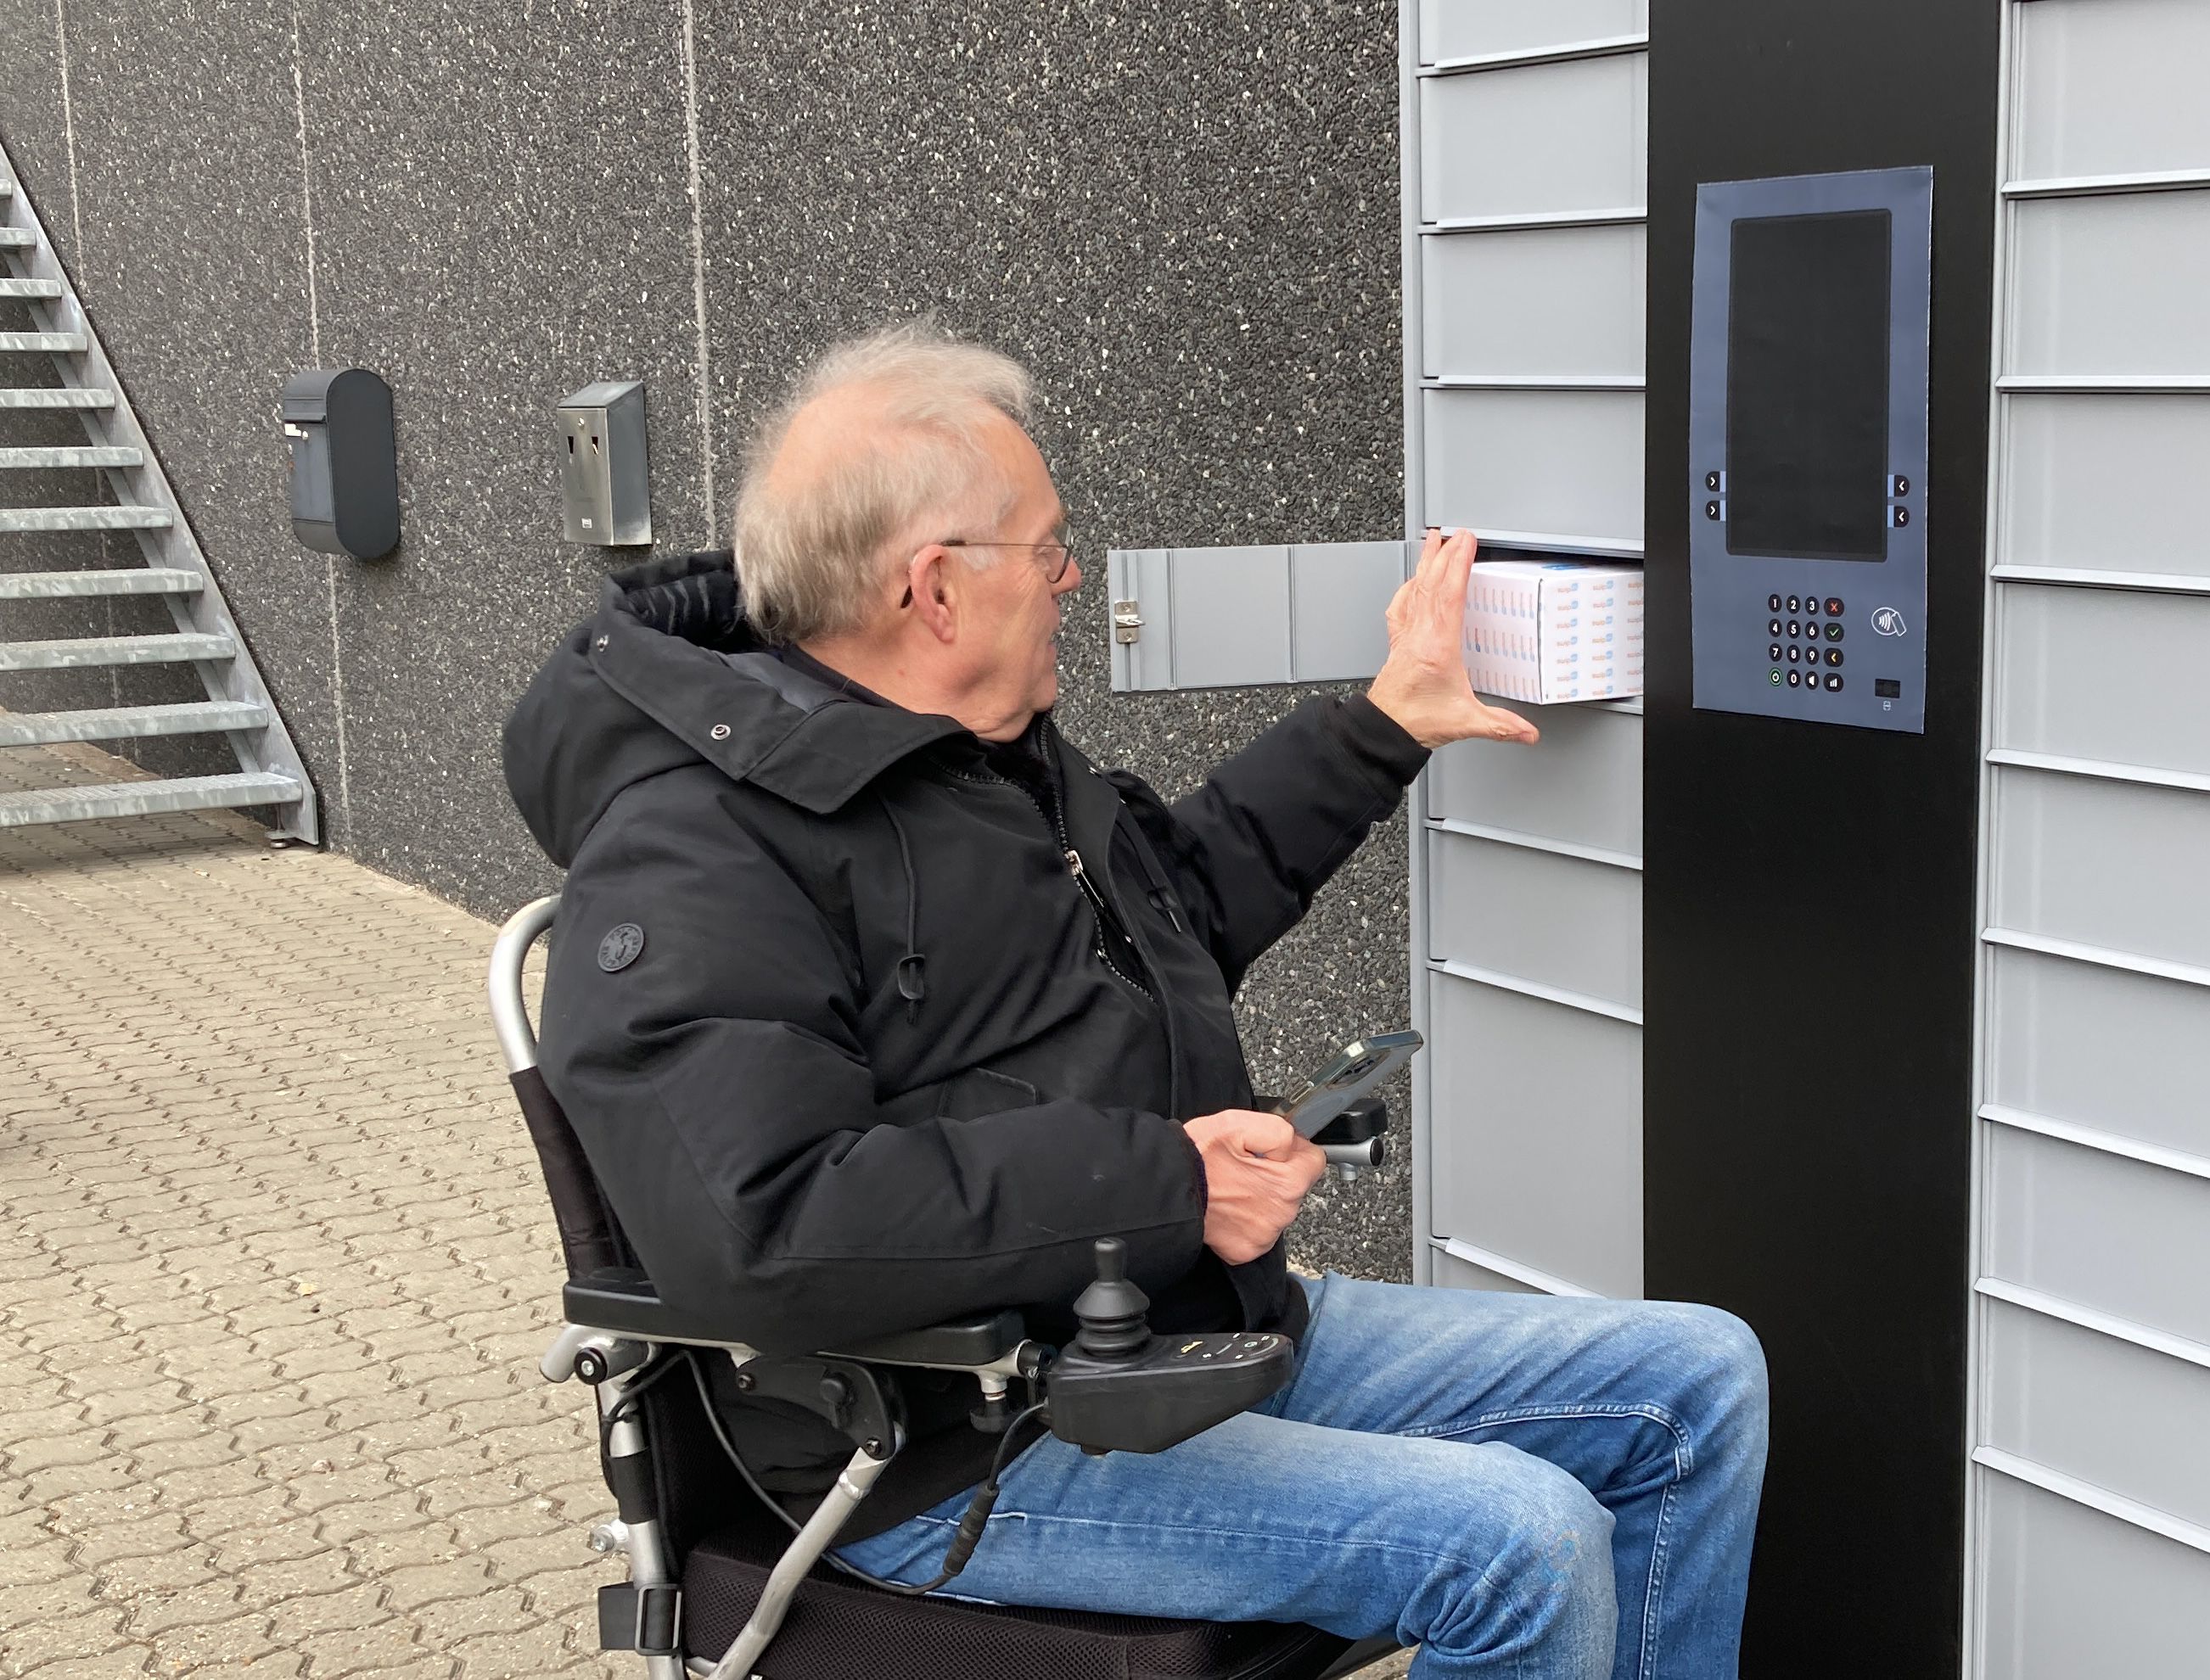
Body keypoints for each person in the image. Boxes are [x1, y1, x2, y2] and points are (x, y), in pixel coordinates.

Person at [502, 320, 1767, 1680]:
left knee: (1697, 1381)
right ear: (937, 588)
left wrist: (1382, 724)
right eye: (1047, 547)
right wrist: (1168, 1185)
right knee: (1519, 1540)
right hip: (953, 1440)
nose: (1070, 574)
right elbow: (764, 1224)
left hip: (1176, 1331)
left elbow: (1179, 907)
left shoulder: (979, 759)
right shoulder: (697, 847)